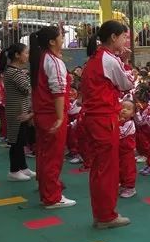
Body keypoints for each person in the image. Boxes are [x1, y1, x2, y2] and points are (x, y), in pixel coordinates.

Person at [82, 20, 135, 228]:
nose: (125, 40)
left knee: (100, 167)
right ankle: (106, 215)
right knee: (107, 168)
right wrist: (127, 64)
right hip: (103, 118)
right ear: (113, 37)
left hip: (96, 117)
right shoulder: (109, 60)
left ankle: (102, 212)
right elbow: (126, 84)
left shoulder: (99, 58)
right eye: (123, 36)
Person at [29, 26, 73, 208]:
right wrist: (61, 116)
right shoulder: (53, 61)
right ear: (52, 42)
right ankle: (52, 197)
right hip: (52, 115)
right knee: (53, 157)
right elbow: (58, 91)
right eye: (61, 36)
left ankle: (48, 190)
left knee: (45, 155)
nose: (63, 39)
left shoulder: (42, 59)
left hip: (44, 113)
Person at [0, 43, 36, 181]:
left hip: (21, 108)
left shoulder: (18, 71)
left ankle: (23, 167)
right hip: (17, 110)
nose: (27, 56)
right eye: (26, 53)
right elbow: (27, 88)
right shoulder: (13, 72)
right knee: (16, 141)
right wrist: (29, 76)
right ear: (17, 55)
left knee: (21, 140)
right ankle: (14, 170)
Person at [118, 100, 137, 198]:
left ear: (133, 113)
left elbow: (121, 134)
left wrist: (117, 124)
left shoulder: (130, 123)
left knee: (128, 169)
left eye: (128, 109)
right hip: (119, 151)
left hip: (127, 152)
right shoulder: (119, 121)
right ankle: (123, 184)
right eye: (122, 107)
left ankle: (130, 188)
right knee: (120, 169)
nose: (124, 110)